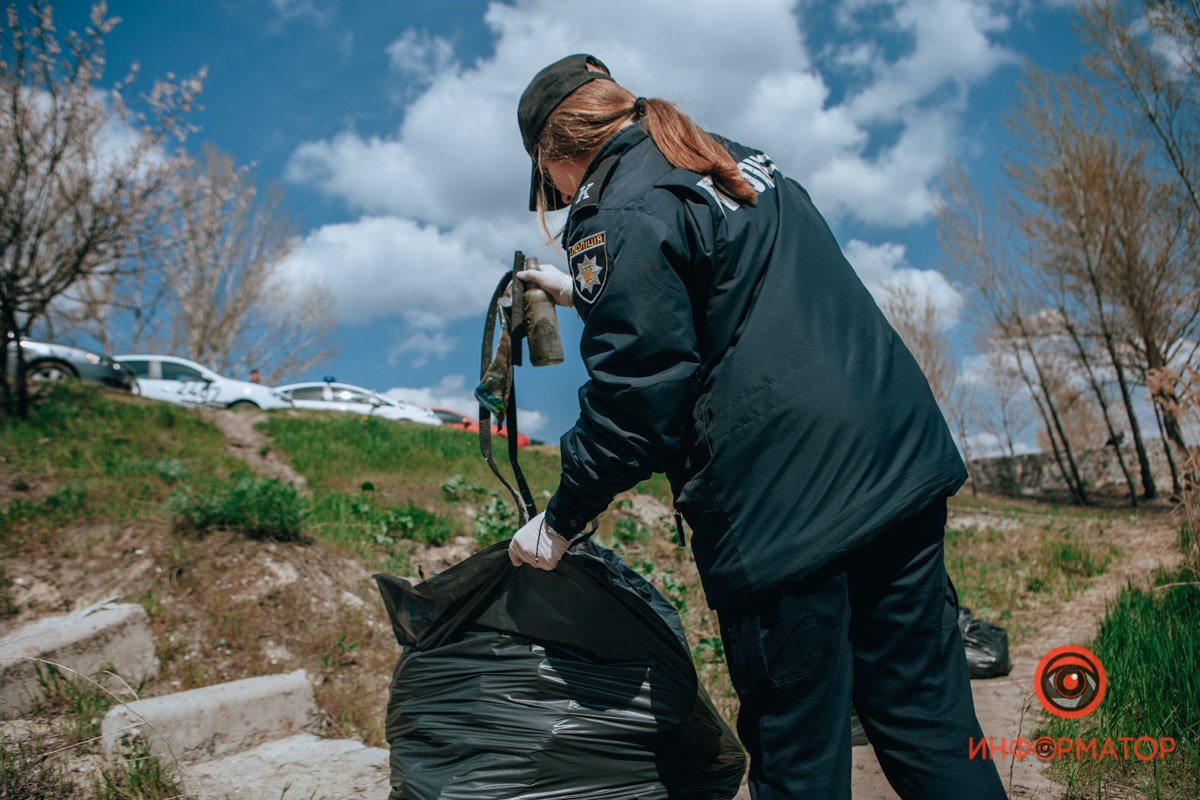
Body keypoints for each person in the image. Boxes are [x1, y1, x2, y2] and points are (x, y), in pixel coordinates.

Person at [507, 54, 1007, 800]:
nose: (562, 199)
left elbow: (636, 401)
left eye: (554, 188)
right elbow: (731, 282)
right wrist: (586, 292)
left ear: (557, 159)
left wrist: (562, 520)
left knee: (796, 757)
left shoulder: (613, 210)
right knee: (928, 722)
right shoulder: (729, 156)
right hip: (894, 470)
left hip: (786, 514)